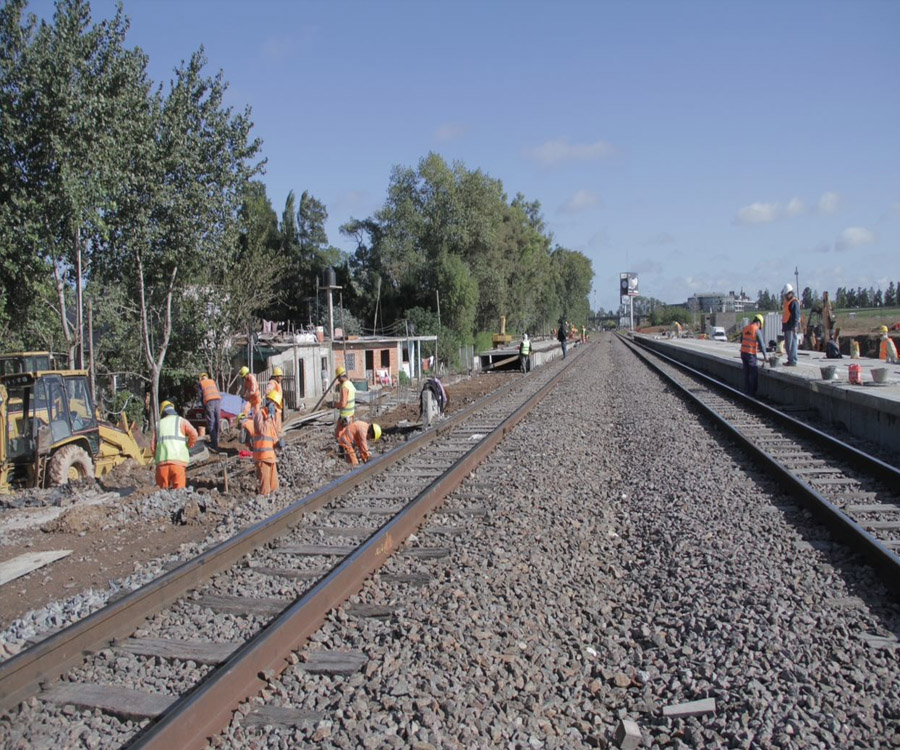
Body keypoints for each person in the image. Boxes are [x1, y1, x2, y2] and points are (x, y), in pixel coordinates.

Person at [152, 400, 198, 489]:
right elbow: (194, 434)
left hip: (162, 465)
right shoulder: (181, 421)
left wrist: (157, 457)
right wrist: (188, 445)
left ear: (162, 413)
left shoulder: (158, 425)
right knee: (179, 493)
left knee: (161, 494)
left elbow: (153, 446)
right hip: (178, 463)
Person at [252, 407, 279, 495]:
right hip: (262, 457)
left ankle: (276, 502)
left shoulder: (270, 420)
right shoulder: (259, 415)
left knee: (274, 486)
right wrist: (268, 418)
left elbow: (273, 437)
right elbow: (262, 430)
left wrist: (279, 444)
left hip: (271, 457)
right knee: (265, 488)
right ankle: (263, 504)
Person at [740, 314, 768, 397]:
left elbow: (742, 340)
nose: (760, 328)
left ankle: (747, 391)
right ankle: (752, 393)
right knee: (753, 373)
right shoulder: (756, 330)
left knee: (746, 373)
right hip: (751, 355)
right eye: (760, 326)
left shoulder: (746, 328)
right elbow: (762, 344)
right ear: (759, 322)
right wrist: (765, 356)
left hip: (743, 353)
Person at [197, 372, 221, 451]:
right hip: (218, 401)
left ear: (201, 378)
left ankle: (214, 445)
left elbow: (200, 396)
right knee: (217, 422)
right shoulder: (212, 381)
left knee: (211, 422)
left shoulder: (201, 383)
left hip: (209, 402)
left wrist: (203, 406)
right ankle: (217, 441)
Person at [334, 365, 356, 438]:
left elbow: (343, 404)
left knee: (338, 434)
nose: (338, 380)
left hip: (345, 416)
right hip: (351, 415)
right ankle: (349, 447)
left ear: (340, 376)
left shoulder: (344, 387)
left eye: (338, 378)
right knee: (348, 434)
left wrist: (336, 404)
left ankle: (343, 448)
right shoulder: (350, 384)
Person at [781, 283, 800, 366]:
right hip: (787, 326)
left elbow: (796, 315)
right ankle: (790, 359)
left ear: (790, 293)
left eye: (786, 294)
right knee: (788, 345)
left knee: (792, 345)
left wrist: (795, 326)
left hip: (791, 326)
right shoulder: (787, 302)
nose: (785, 296)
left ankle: (793, 360)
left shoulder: (794, 303)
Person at [265, 366, 285, 444]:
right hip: (275, 407)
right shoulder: (272, 383)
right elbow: (267, 392)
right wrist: (272, 400)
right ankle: (274, 441)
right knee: (274, 425)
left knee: (278, 426)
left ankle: (277, 440)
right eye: (280, 376)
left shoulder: (278, 383)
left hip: (278, 407)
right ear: (276, 376)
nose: (281, 378)